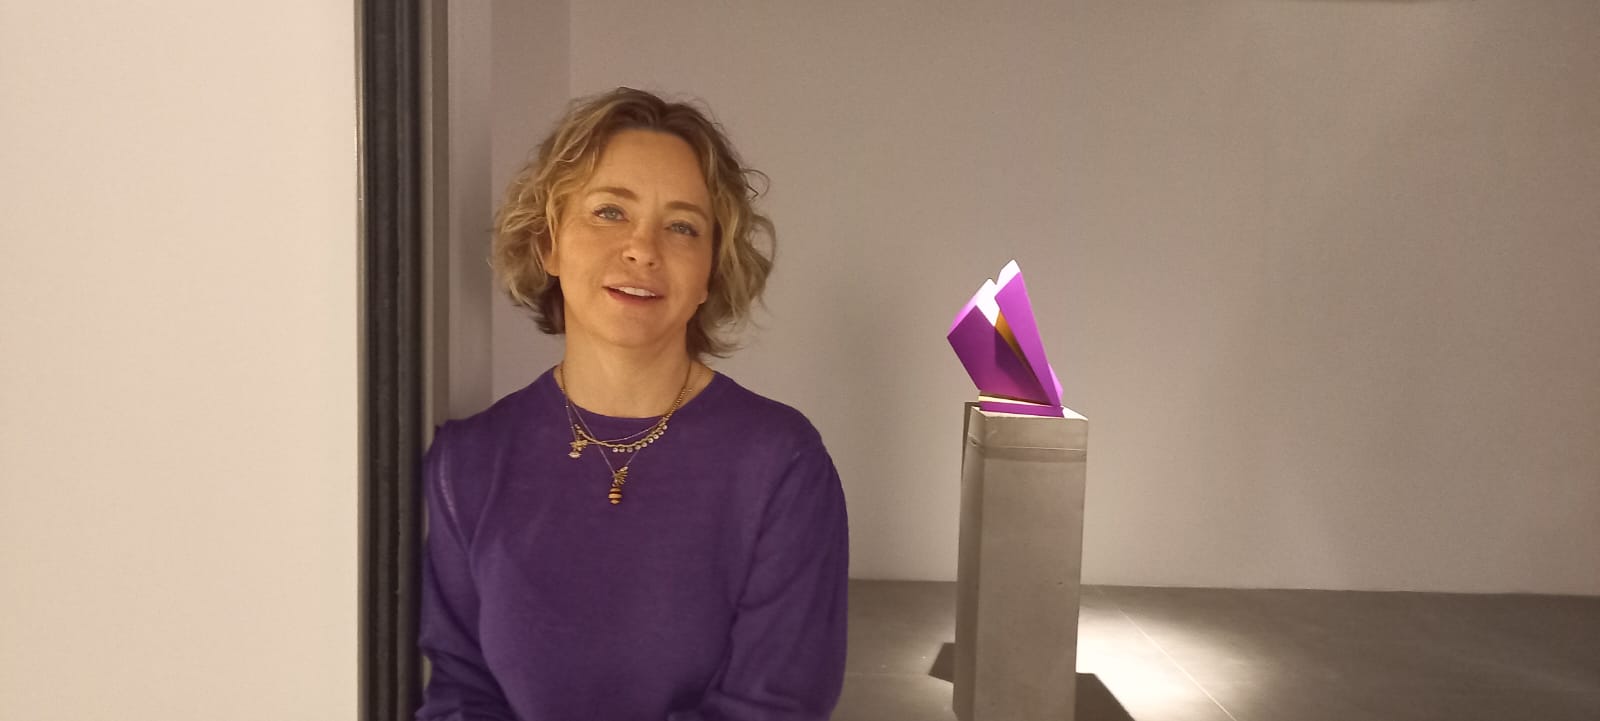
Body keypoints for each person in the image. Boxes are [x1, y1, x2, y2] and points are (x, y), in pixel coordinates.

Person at [415, 87, 849, 721]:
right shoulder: (467, 462)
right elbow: (459, 695)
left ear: (709, 273)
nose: (643, 248)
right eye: (610, 212)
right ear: (548, 243)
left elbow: (773, 708)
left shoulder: (781, 463)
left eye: (682, 226)